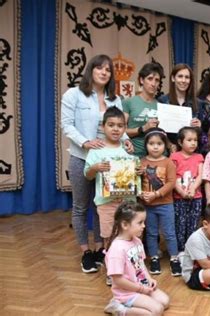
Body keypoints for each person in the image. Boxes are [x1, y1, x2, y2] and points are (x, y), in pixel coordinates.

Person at [61, 54, 132, 273]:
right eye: (99, 68)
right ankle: (86, 252)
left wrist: (127, 142)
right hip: (82, 156)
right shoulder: (74, 94)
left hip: (109, 162)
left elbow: (118, 128)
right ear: (91, 70)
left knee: (103, 205)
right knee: (81, 207)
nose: (103, 72)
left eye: (108, 70)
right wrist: (86, 142)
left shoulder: (115, 98)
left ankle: (101, 248)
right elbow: (67, 125)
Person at [84, 106, 140, 251]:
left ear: (125, 128)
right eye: (111, 125)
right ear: (103, 127)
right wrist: (95, 168)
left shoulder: (128, 148)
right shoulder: (96, 150)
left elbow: (137, 172)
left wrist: (139, 171)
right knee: (109, 235)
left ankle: (131, 264)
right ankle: (112, 267)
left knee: (130, 234)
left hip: (128, 202)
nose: (115, 129)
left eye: (120, 126)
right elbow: (88, 175)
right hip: (106, 203)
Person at [104, 201, 169, 315]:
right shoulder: (117, 249)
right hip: (127, 293)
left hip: (141, 286)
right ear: (125, 225)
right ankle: (119, 308)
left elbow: (141, 264)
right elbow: (118, 280)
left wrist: (149, 279)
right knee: (157, 310)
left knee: (165, 302)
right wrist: (141, 289)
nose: (144, 226)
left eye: (144, 222)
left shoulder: (137, 241)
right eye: (140, 223)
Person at [139, 128, 181, 276]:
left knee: (169, 232)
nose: (155, 147)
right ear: (146, 145)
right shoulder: (141, 162)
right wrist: (141, 193)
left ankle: (174, 259)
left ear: (165, 145)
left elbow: (171, 183)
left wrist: (156, 194)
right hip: (148, 206)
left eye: (159, 143)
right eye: (151, 143)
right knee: (151, 233)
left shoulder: (168, 162)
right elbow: (136, 182)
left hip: (165, 204)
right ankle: (154, 258)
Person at [170, 127, 204, 252]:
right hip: (179, 198)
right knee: (180, 225)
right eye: (189, 140)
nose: (193, 143)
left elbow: (201, 175)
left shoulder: (199, 156)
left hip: (196, 198)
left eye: (195, 140)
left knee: (193, 225)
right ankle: (180, 251)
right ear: (180, 142)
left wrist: (193, 188)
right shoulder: (175, 156)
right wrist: (181, 192)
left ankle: (192, 251)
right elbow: (171, 177)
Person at [123, 63, 163, 158]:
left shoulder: (161, 106)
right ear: (141, 80)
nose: (153, 84)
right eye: (150, 79)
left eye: (157, 80)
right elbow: (121, 131)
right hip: (134, 154)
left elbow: (163, 133)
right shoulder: (128, 102)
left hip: (157, 157)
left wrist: (170, 145)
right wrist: (143, 128)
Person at [157, 64, 201, 147]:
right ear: (173, 78)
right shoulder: (163, 101)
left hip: (191, 151)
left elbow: (202, 133)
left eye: (187, 77)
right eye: (180, 76)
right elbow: (159, 130)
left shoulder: (198, 103)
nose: (183, 80)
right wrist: (169, 145)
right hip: (168, 150)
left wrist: (199, 126)